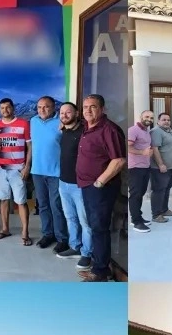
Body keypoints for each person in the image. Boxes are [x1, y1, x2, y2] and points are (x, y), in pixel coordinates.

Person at [76, 94, 126, 283]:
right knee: (96, 227)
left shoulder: (109, 130)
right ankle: (99, 266)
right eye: (85, 107)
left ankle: (100, 272)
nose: (88, 110)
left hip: (99, 188)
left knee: (99, 229)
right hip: (87, 186)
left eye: (93, 107)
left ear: (102, 109)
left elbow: (119, 160)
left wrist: (100, 182)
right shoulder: (87, 127)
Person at [29, 95, 69, 252]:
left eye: (46, 107)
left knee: (56, 206)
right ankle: (48, 234)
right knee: (43, 206)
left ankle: (62, 238)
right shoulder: (33, 121)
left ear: (53, 108)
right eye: (39, 107)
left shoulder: (61, 123)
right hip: (37, 171)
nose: (42, 110)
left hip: (55, 172)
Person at [0, 98, 33, 246]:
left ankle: (25, 233)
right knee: (3, 199)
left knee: (21, 201)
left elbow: (30, 147)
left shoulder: (23, 124)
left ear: (13, 108)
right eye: (2, 108)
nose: (5, 110)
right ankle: (5, 229)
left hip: (18, 170)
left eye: (7, 107)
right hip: (0, 169)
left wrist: (27, 166)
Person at [57, 102, 91, 268]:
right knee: (70, 218)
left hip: (80, 185)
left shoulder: (84, 132)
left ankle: (87, 253)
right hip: (63, 183)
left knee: (85, 221)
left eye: (68, 112)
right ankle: (75, 246)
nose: (64, 115)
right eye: (62, 113)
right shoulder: (64, 131)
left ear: (77, 113)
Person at [150, 113, 172, 223]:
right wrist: (160, 164)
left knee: (166, 189)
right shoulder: (156, 131)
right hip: (161, 168)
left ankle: (164, 209)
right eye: (164, 120)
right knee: (159, 190)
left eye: (168, 119)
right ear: (158, 121)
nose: (167, 121)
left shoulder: (170, 132)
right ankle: (156, 214)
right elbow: (155, 149)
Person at [127, 110, 154, 233]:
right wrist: (142, 152)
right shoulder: (133, 130)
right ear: (141, 117)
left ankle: (138, 216)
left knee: (141, 194)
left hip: (145, 166)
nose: (149, 119)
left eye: (151, 117)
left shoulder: (146, 131)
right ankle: (136, 221)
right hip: (135, 168)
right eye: (147, 116)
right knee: (135, 195)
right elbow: (127, 146)